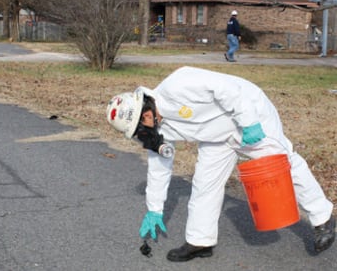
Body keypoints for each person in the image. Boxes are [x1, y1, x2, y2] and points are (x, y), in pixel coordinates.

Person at [106, 66, 335, 262]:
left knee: (284, 162)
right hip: (216, 136)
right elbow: (159, 167)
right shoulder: (154, 130)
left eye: (144, 119)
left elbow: (229, 91)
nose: (146, 126)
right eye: (140, 128)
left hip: (248, 114)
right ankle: (200, 241)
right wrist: (154, 209)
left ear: (145, 103)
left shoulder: (178, 84)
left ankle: (322, 218)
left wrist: (249, 123)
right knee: (205, 182)